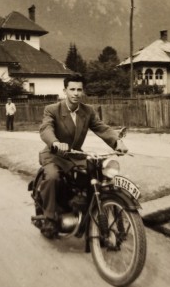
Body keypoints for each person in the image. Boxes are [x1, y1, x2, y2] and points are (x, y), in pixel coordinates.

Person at [39, 74, 128, 238]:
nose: (76, 93)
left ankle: (90, 208)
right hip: (54, 155)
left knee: (99, 175)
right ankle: (49, 218)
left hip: (76, 155)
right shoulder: (52, 109)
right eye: (72, 89)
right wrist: (56, 143)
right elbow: (46, 129)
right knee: (52, 177)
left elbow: (102, 128)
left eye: (79, 89)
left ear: (83, 92)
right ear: (65, 90)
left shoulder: (88, 111)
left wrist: (117, 143)